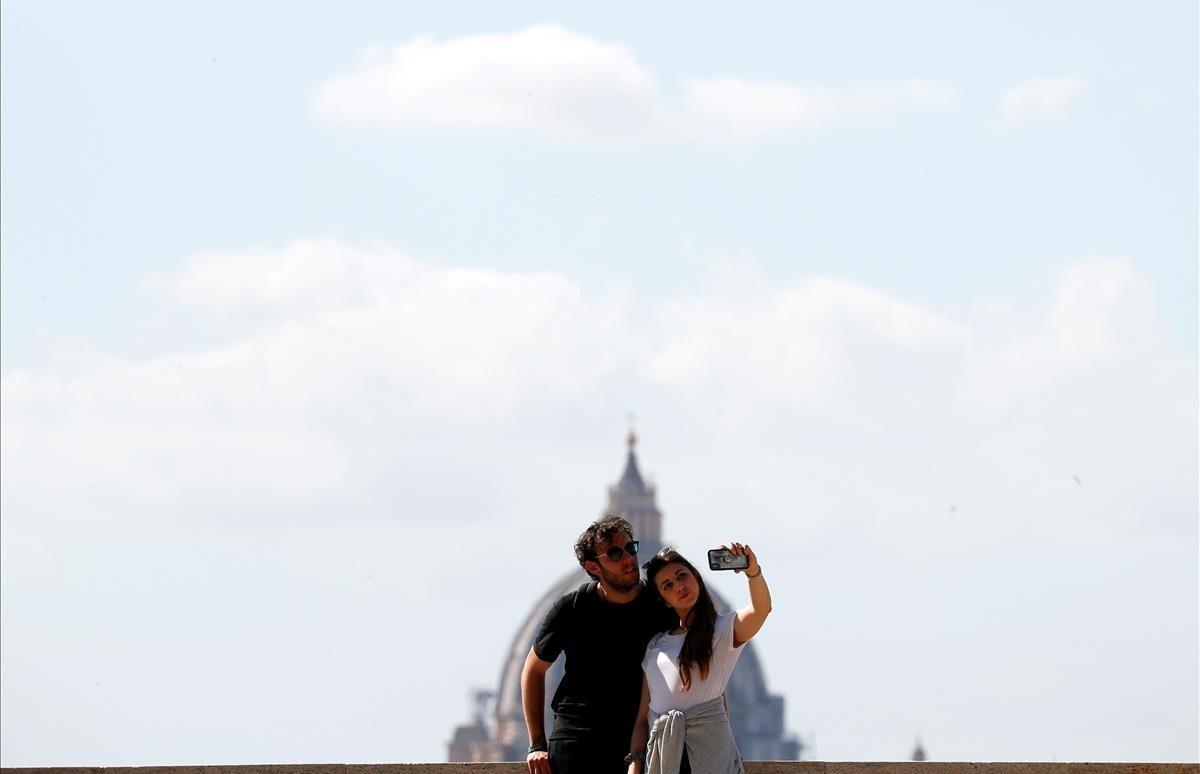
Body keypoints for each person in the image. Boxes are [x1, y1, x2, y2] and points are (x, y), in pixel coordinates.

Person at [522, 516, 678, 774]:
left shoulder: (662, 607)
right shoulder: (571, 608)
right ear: (593, 567)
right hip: (576, 744)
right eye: (615, 554)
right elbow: (533, 669)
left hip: (641, 743)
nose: (628, 558)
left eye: (631, 548)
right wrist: (536, 743)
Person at [626, 542, 771, 774]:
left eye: (682, 576)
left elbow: (761, 610)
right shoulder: (655, 646)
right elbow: (643, 720)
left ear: (695, 575)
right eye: (668, 585)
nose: (679, 587)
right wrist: (635, 766)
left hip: (710, 760)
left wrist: (752, 572)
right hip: (663, 762)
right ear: (664, 599)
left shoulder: (722, 631)